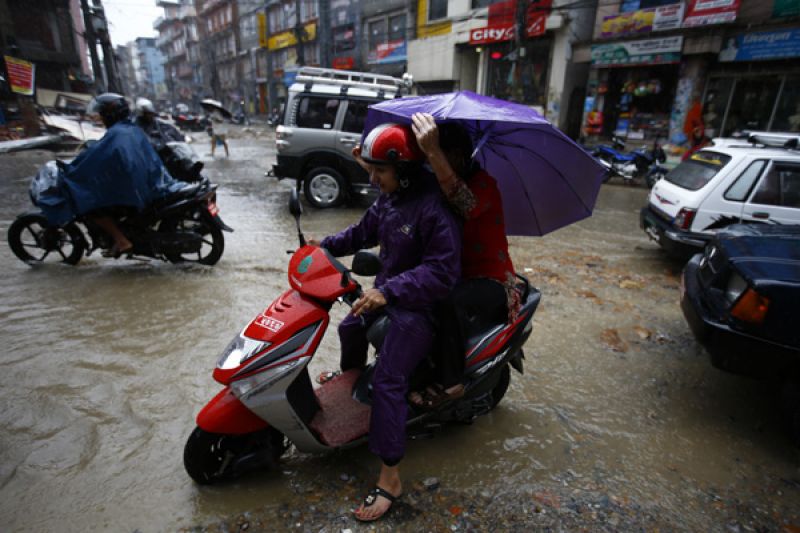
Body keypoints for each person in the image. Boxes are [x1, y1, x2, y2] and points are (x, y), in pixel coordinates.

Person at [312, 124, 461, 522]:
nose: (372, 177)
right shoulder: (389, 199)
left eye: (380, 170)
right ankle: (356, 394)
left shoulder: (433, 207)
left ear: (405, 170)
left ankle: (390, 477)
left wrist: (390, 290)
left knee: (390, 379)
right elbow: (360, 232)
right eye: (371, 169)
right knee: (348, 328)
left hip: (418, 308)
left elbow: (442, 271)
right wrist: (321, 247)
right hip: (386, 294)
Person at [408, 112, 519, 407]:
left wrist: (433, 151)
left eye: (438, 155)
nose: (430, 162)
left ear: (456, 156)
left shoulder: (484, 184)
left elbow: (465, 203)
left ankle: (451, 381)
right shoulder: (435, 185)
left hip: (492, 280)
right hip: (452, 272)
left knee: (444, 301)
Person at [64, 93, 182, 256]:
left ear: (108, 115)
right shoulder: (130, 129)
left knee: (91, 206)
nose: (101, 119)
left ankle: (121, 241)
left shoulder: (117, 134)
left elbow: (96, 159)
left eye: (102, 115)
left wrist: (74, 170)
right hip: (151, 182)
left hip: (138, 190)